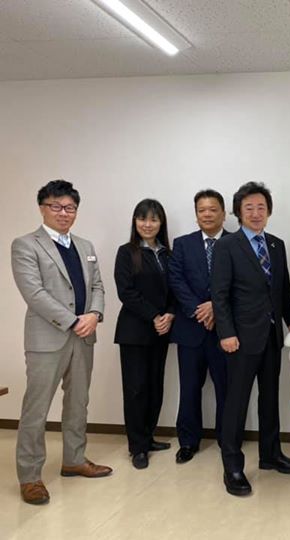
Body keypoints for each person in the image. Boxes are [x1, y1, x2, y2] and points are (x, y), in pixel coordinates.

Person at [11, 179, 112, 505]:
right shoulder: (25, 245)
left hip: (84, 336)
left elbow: (97, 286)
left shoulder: (85, 246)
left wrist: (94, 314)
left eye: (70, 207)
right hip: (47, 339)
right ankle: (30, 476)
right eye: (56, 206)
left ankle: (74, 459)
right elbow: (34, 293)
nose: (64, 212)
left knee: (78, 403)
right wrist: (73, 320)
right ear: (42, 208)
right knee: (36, 409)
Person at [211, 181, 290, 497]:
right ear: (238, 212)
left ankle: (271, 455)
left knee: (270, 399)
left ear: (268, 212)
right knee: (236, 403)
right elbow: (219, 294)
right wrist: (226, 333)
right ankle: (232, 466)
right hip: (239, 339)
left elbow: (283, 289)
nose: (255, 213)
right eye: (248, 207)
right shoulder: (227, 246)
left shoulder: (276, 245)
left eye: (261, 207)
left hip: (271, 336)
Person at [168, 189, 229, 464]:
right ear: (196, 215)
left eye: (213, 209)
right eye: (202, 210)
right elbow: (176, 280)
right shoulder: (182, 244)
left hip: (225, 331)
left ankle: (227, 438)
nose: (207, 214)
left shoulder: (235, 242)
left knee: (226, 389)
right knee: (189, 388)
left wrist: (215, 306)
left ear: (223, 213)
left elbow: (241, 283)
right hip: (191, 329)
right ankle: (188, 442)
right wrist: (199, 309)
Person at [114, 199, 175, 470]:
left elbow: (176, 289)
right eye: (142, 218)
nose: (147, 224)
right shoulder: (126, 252)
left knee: (154, 386)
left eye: (153, 219)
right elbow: (126, 292)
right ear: (135, 221)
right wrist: (154, 316)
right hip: (134, 332)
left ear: (161, 223)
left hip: (162, 331)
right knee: (136, 389)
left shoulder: (168, 254)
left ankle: (148, 437)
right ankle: (137, 447)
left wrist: (169, 314)